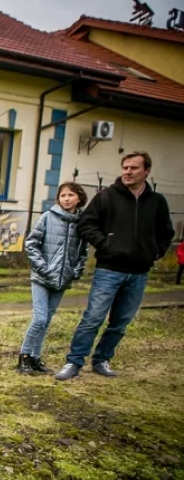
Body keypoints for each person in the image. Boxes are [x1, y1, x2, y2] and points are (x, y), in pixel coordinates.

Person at [56, 152, 174, 380]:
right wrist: (106, 244)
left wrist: (155, 251)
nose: (128, 172)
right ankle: (74, 362)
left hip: (139, 272)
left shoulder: (157, 201)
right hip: (109, 270)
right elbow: (86, 224)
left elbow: (166, 232)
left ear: (146, 171)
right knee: (93, 318)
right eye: (125, 168)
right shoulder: (106, 197)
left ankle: (102, 360)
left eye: (134, 168)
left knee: (120, 322)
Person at [18, 183, 89, 374]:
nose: (66, 198)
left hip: (62, 279)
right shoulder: (48, 217)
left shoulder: (82, 223)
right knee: (39, 318)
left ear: (79, 198)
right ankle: (24, 356)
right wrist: (43, 267)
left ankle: (35, 357)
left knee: (47, 320)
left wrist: (76, 271)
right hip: (41, 278)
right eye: (63, 195)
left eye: (70, 195)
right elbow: (31, 244)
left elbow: (83, 251)